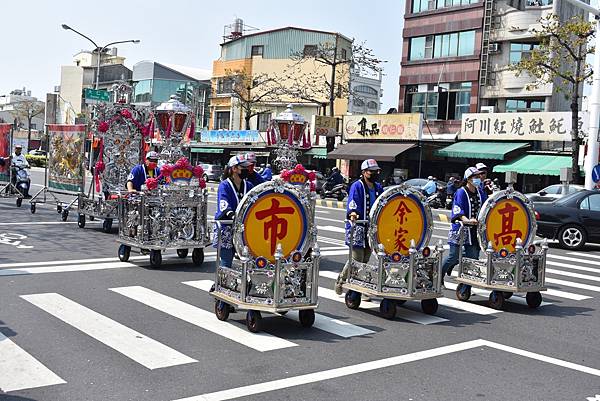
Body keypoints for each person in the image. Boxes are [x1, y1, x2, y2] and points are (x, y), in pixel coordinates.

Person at [335, 159, 384, 295]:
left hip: (372, 227)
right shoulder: (357, 186)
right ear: (364, 172)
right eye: (371, 172)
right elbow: (353, 202)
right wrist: (353, 213)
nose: (374, 174)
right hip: (358, 226)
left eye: (376, 171)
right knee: (356, 258)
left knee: (366, 259)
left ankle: (360, 286)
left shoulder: (378, 187)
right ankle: (342, 280)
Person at [441, 167, 488, 292]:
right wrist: (466, 220)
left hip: (474, 231)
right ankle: (438, 277)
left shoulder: (480, 192)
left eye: (479, 176)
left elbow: (486, 207)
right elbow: (458, 209)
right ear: (468, 179)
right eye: (475, 176)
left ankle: (466, 286)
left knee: (473, 258)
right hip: (461, 228)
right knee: (453, 256)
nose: (478, 178)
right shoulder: (461, 192)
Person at [213, 155, 254, 268]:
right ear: (234, 169)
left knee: (248, 259)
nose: (246, 170)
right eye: (243, 167)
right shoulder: (224, 185)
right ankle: (222, 283)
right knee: (226, 260)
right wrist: (232, 215)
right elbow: (223, 204)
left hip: (243, 226)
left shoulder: (249, 185)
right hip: (227, 225)